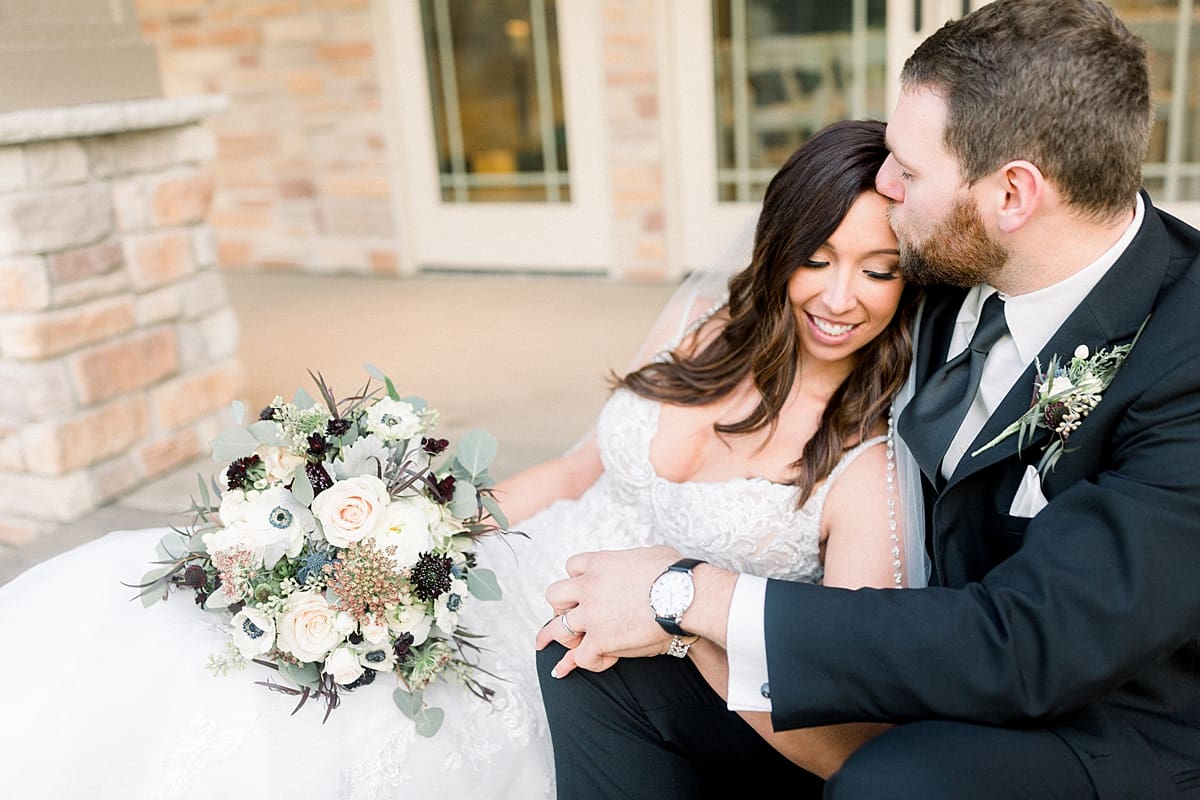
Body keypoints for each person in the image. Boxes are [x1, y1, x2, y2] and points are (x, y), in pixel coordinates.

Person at [0, 119, 921, 799]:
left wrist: (682, 625)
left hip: (594, 661)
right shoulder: (709, 328)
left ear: (910, 280)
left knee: (326, 732)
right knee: (188, 631)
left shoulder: (866, 468)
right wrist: (418, 540)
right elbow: (568, 477)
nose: (840, 296)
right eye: (817, 257)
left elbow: (839, 734)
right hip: (500, 573)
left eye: (878, 270)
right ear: (779, 250)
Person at [535, 0, 1200, 798]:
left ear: (1013, 195)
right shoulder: (947, 260)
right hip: (912, 654)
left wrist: (690, 594)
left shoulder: (1184, 360)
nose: (885, 185)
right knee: (590, 653)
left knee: (892, 783)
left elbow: (1031, 641)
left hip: (1090, 720)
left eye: (908, 171)